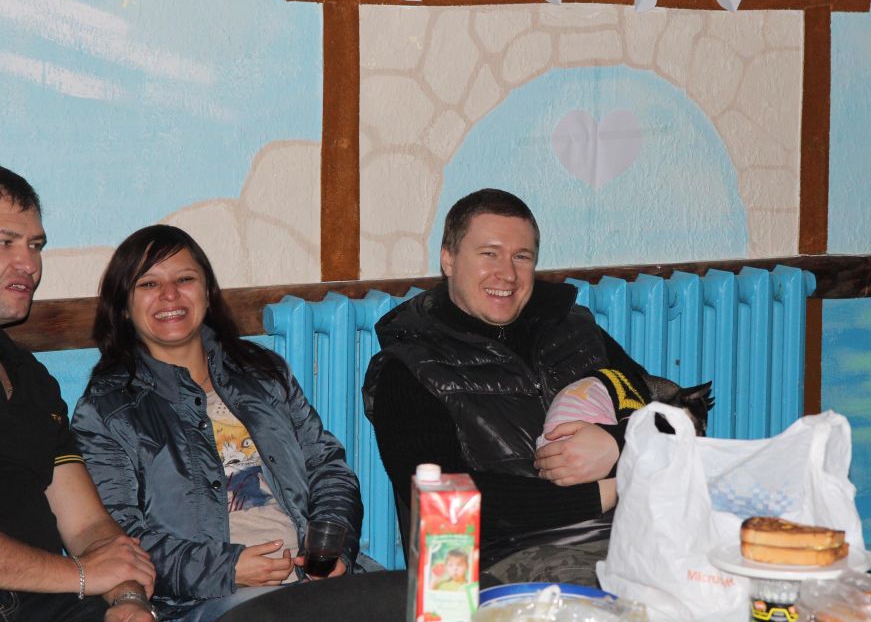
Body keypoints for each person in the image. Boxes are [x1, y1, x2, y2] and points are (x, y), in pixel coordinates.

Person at [362, 188, 655, 587]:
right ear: (448, 259)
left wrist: (618, 444)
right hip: (508, 559)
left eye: (522, 257)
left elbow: (677, 417)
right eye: (489, 254)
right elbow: (443, 497)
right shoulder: (409, 367)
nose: (508, 274)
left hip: (635, 530)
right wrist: (614, 487)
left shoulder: (574, 331)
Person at [72, 225, 363, 622]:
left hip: (311, 584)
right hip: (204, 602)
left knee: (418, 599)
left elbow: (328, 467)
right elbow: (117, 536)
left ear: (207, 293)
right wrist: (227, 569)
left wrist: (332, 547)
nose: (170, 295)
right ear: (123, 305)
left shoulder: (263, 373)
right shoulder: (106, 410)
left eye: (184, 279)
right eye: (149, 284)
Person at [0, 166, 157, 622]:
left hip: (56, 604)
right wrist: (85, 574)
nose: (29, 265)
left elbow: (88, 525)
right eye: (5, 242)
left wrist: (128, 599)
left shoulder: (30, 378)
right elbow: (88, 566)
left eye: (35, 246)